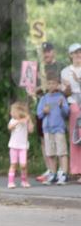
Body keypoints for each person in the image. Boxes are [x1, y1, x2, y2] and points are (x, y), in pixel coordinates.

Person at [36, 78, 70, 185]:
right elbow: (39, 114)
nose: (51, 85)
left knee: (62, 152)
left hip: (59, 128)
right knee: (50, 153)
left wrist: (61, 107)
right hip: (47, 129)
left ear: (57, 85)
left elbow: (66, 113)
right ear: (46, 85)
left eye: (53, 83)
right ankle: (53, 174)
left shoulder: (61, 97)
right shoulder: (44, 98)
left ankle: (63, 174)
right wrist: (44, 111)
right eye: (49, 83)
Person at [62, 42, 81, 182]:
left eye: (79, 52)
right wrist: (67, 87)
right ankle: (76, 170)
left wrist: (78, 80)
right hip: (73, 103)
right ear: (70, 55)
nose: (78, 55)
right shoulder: (64, 71)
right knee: (75, 137)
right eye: (75, 53)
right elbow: (65, 92)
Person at [7, 101, 33, 189]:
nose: (11, 113)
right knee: (13, 164)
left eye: (13, 111)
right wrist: (18, 121)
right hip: (13, 146)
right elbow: (10, 127)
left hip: (23, 147)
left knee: (23, 165)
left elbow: (31, 130)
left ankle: (24, 181)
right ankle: (11, 182)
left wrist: (29, 121)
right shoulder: (13, 121)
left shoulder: (25, 121)